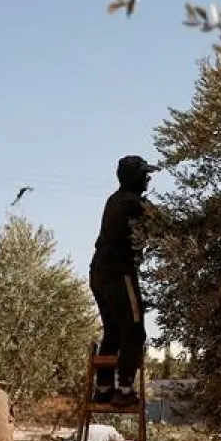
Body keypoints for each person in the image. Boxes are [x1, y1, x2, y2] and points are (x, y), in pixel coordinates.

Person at [90, 155, 155, 409]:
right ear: (135, 177)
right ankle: (124, 390)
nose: (148, 178)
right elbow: (163, 222)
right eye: (145, 174)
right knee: (135, 331)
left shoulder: (114, 200)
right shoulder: (131, 202)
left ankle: (104, 389)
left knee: (114, 332)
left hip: (99, 273)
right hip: (119, 274)